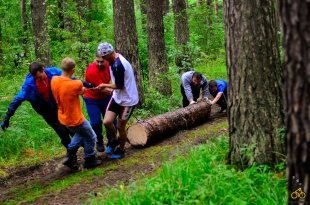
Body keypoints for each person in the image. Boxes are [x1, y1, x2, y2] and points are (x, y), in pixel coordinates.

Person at [0, 62, 72, 148]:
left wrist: (83, 85)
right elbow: (16, 101)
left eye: (40, 77)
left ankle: (87, 150)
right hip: (46, 111)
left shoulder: (54, 72)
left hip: (60, 106)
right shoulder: (29, 86)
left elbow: (69, 78)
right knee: (62, 132)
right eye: (37, 78)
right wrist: (7, 118)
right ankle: (72, 154)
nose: (40, 79)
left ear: (43, 69)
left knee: (72, 129)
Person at [51, 57, 101, 169]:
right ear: (73, 70)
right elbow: (83, 90)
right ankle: (90, 159)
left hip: (63, 117)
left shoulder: (54, 80)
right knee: (91, 137)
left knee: (80, 134)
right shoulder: (76, 84)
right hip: (76, 119)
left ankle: (70, 155)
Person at [96, 42, 139, 159]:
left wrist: (105, 85)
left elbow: (119, 85)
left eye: (104, 57)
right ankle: (114, 140)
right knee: (107, 122)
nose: (103, 60)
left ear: (109, 54)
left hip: (128, 100)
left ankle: (121, 149)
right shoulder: (114, 60)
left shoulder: (118, 65)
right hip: (117, 97)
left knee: (120, 127)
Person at [84, 52, 117, 153]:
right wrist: (115, 89)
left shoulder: (110, 64)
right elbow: (102, 89)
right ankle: (99, 140)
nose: (99, 64)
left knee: (111, 121)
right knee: (95, 122)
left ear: (106, 59)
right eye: (97, 61)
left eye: (101, 62)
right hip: (92, 98)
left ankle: (112, 140)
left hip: (106, 98)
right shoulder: (91, 70)